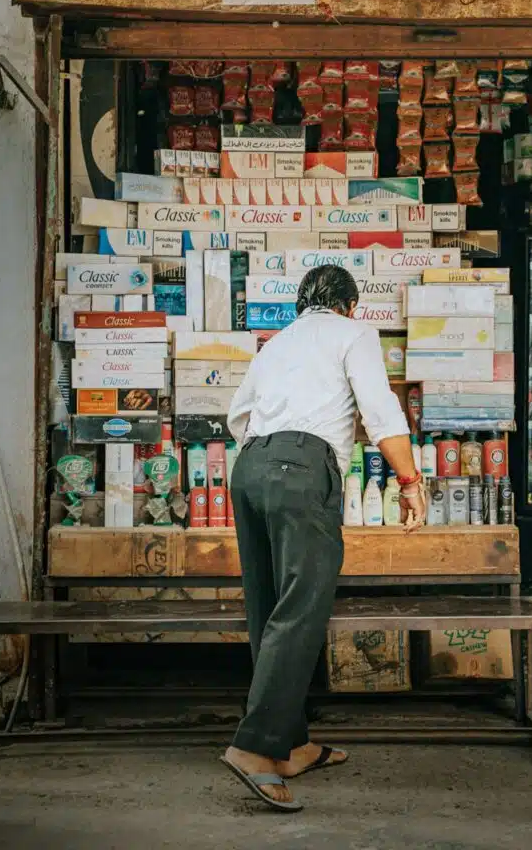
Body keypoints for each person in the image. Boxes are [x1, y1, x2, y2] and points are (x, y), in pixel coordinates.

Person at [221, 264, 426, 811]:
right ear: (350, 306)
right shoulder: (353, 334)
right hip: (300, 470)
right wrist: (408, 480)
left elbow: (236, 416)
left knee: (269, 609)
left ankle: (291, 745)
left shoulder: (275, 343)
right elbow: (380, 409)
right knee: (302, 608)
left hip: (249, 468)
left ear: (302, 304)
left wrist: (273, 451)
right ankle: (255, 749)